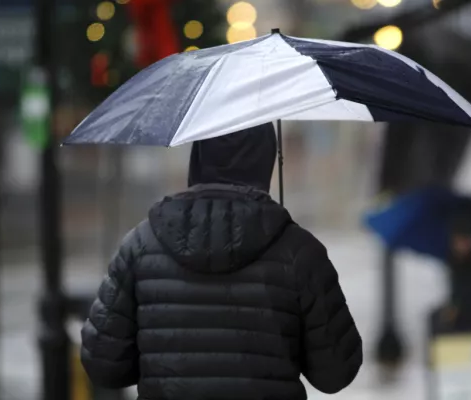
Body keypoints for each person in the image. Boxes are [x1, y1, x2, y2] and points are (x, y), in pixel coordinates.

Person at [80, 123, 363, 400]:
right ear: (265, 159)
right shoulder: (300, 251)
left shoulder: (140, 245)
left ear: (198, 157)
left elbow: (104, 365)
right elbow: (336, 373)